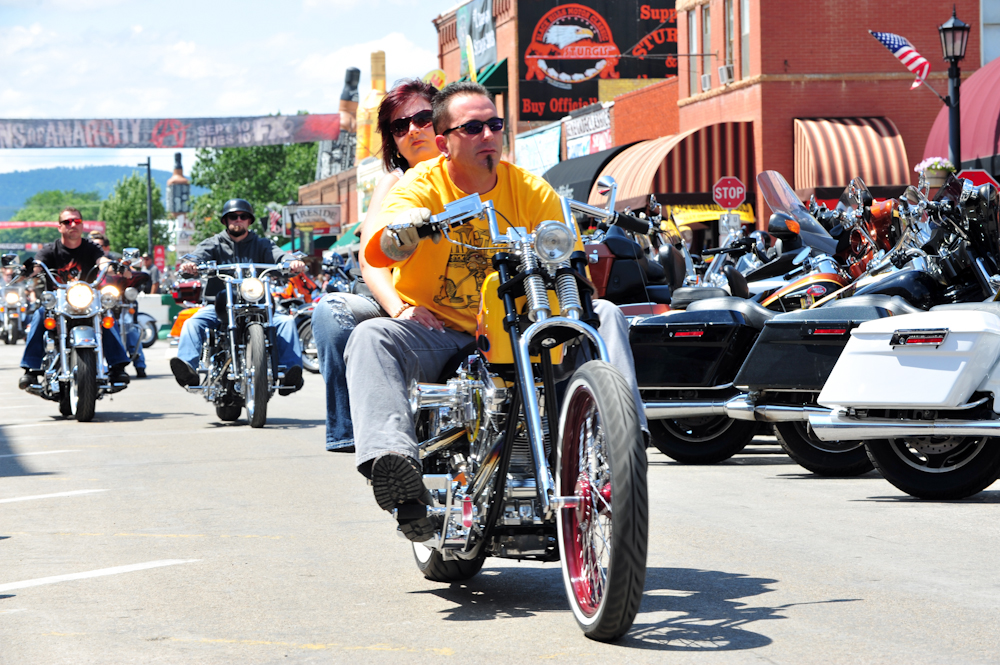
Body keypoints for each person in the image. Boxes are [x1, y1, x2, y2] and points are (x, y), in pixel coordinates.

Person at [343, 82, 646, 541]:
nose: (488, 134)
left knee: (603, 312)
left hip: (518, 327)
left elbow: (572, 258)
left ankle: (625, 441)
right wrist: (400, 237)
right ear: (444, 142)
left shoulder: (529, 188)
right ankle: (396, 470)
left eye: (494, 124)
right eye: (473, 127)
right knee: (370, 337)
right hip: (443, 330)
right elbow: (384, 239)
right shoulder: (420, 185)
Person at [311, 78, 440, 452]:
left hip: (467, 307)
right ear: (392, 140)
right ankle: (359, 436)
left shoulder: (478, 171)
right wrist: (400, 309)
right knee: (331, 311)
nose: (414, 130)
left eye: (423, 118)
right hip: (400, 303)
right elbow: (371, 261)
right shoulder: (393, 182)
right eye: (400, 126)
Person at [169, 198, 306, 395]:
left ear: (249, 221)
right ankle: (188, 370)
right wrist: (191, 263)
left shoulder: (262, 244)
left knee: (285, 322)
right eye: (233, 216)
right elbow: (197, 256)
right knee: (193, 322)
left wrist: (291, 262)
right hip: (219, 306)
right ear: (225, 220)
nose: (238, 220)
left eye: (243, 216)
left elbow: (280, 255)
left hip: (257, 304)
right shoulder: (213, 243)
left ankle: (289, 375)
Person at [19, 207, 131, 390]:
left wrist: (115, 267)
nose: (73, 225)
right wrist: (27, 271)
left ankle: (117, 366)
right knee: (39, 315)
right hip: (58, 305)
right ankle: (31, 370)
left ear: (82, 225)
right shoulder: (50, 250)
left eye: (77, 221)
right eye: (67, 222)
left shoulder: (91, 247)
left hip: (87, 303)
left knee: (107, 316)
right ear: (59, 227)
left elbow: (102, 261)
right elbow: (38, 266)